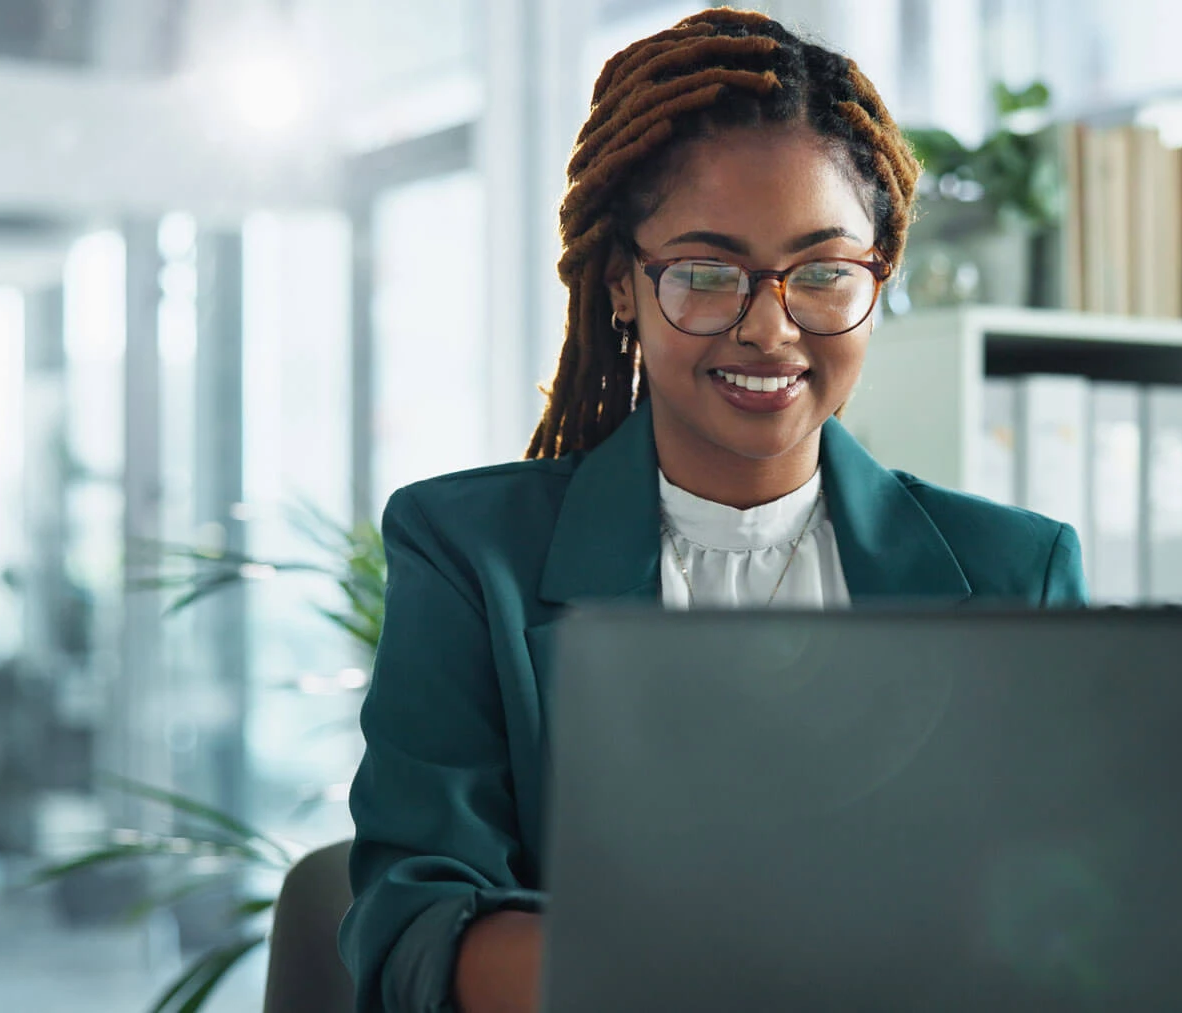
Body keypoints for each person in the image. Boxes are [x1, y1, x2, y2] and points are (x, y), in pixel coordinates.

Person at [338, 9, 1087, 1012]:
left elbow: (1071, 929)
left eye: (822, 272)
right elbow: (413, 929)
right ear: (621, 284)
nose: (770, 327)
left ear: (877, 276)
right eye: (706, 273)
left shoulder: (1014, 572)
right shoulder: (472, 554)